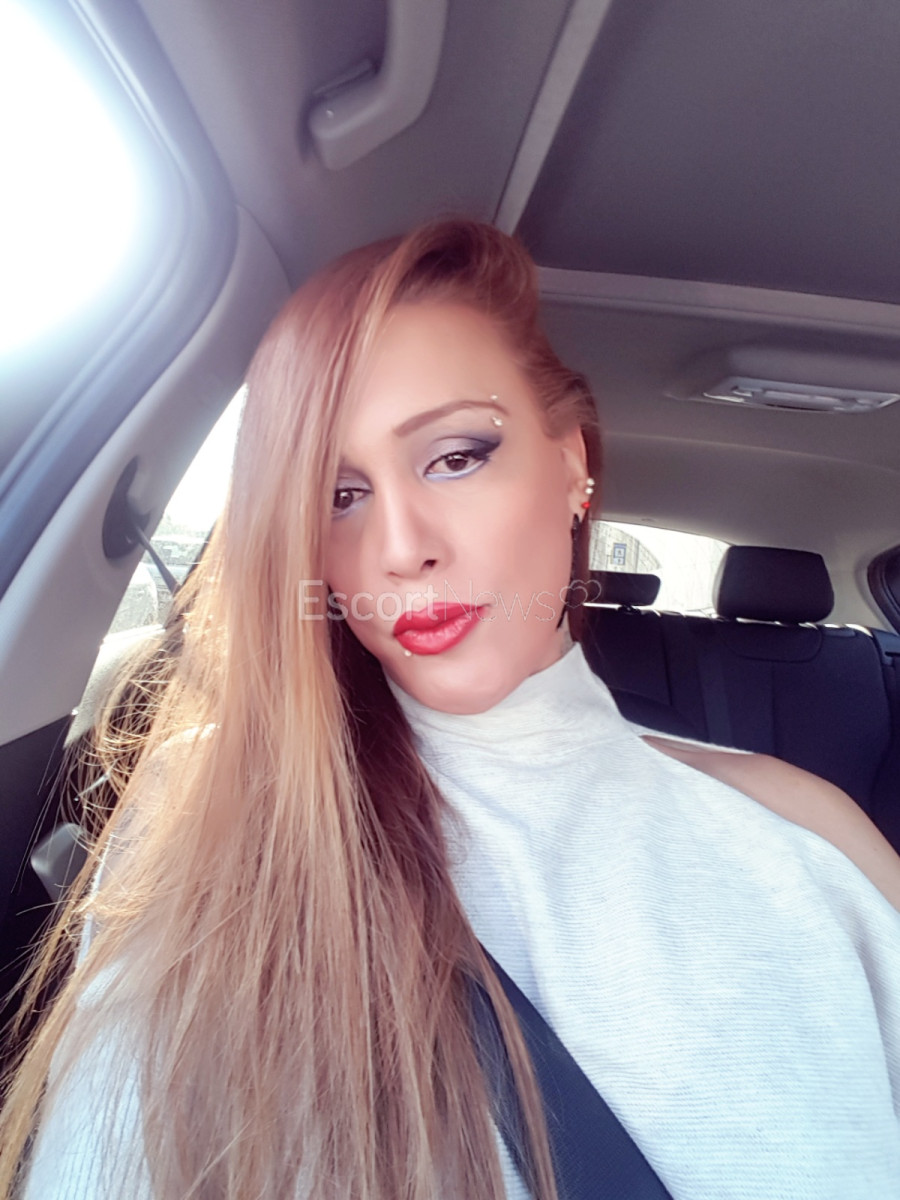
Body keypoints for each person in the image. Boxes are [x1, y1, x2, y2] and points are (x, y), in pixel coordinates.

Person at [1, 219, 899, 1200]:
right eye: (338, 495)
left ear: (573, 465)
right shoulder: (217, 807)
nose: (401, 547)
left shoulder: (804, 833)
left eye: (457, 457)